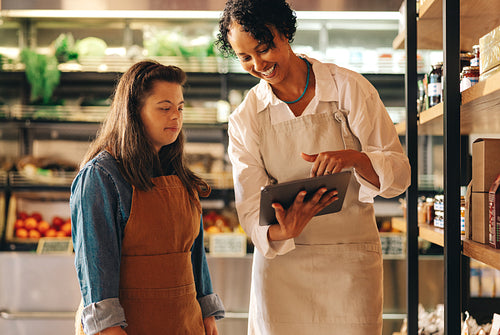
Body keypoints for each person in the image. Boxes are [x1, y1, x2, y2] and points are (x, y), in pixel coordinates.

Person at [216, 0, 411, 334]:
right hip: (282, 269)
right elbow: (249, 206)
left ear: (285, 33)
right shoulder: (246, 118)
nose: (258, 64)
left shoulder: (349, 88)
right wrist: (283, 230)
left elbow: (399, 175)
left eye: (264, 48)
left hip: (349, 266)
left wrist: (357, 160)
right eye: (245, 57)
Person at [70, 60, 224, 335]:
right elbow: (96, 269)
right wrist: (109, 329)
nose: (176, 116)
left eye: (180, 107)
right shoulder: (101, 176)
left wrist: (207, 312)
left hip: (186, 324)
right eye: (164, 108)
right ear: (133, 112)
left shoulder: (177, 173)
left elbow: (194, 254)